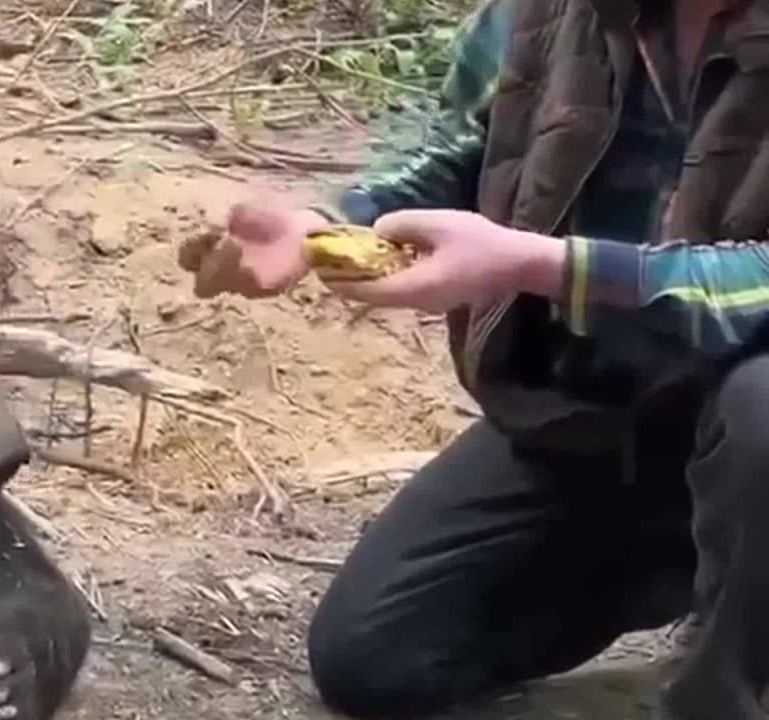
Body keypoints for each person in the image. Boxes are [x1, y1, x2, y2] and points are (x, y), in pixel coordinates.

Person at [179, 1, 769, 718]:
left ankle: (732, 678)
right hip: (600, 413)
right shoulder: (540, 16)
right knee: (376, 656)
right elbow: (454, 147)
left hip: (743, 414)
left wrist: (534, 263)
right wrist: (329, 227)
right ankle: (713, 579)